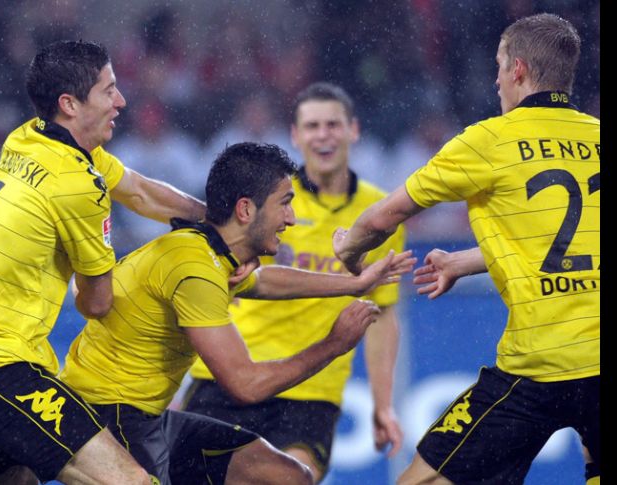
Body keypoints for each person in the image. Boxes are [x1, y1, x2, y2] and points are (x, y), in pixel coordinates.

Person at [333, 13, 599, 485]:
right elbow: (567, 239)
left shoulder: (486, 142)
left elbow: (383, 217)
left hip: (538, 364)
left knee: (422, 481)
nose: (495, 79)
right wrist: (466, 261)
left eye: (499, 66)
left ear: (517, 70)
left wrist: (348, 251)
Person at [58, 142, 415, 485]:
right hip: (106, 418)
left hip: (146, 417)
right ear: (245, 210)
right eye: (285, 204)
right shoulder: (195, 269)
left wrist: (355, 284)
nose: (291, 218)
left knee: (285, 476)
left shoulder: (211, 254)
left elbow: (265, 282)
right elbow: (246, 385)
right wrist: (335, 344)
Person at [0, 40, 209, 484]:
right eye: (108, 91)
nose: (121, 101)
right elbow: (97, 303)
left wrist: (212, 221)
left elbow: (139, 191)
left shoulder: (30, 137)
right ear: (70, 105)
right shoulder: (76, 185)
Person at [183, 82, 407, 481]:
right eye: (313, 126)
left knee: (293, 477)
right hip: (231, 375)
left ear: (353, 131)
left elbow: (382, 316)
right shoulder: (265, 200)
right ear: (295, 135)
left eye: (333, 125)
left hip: (311, 391)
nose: (323, 135)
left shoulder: (379, 216)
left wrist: (383, 405)